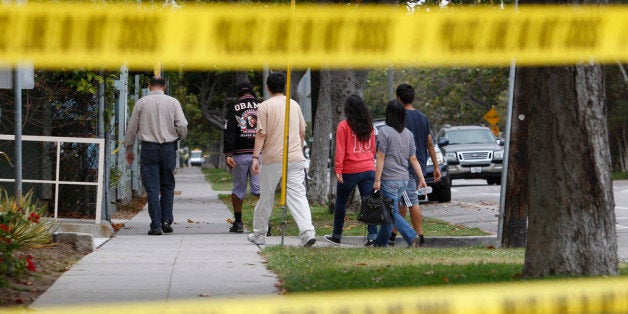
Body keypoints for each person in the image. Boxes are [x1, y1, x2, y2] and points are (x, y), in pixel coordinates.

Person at [247, 72, 316, 247]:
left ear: (268, 88)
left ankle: (260, 233)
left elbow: (261, 134)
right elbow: (302, 133)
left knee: (266, 196)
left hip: (272, 158)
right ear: (284, 87)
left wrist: (255, 157)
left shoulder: (264, 107)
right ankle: (307, 231)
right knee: (298, 195)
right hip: (294, 157)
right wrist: (297, 150)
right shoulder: (294, 105)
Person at [124, 75, 188, 235]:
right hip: (168, 148)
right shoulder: (173, 102)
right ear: (164, 86)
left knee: (152, 187)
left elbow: (132, 127)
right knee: (167, 185)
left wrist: (129, 148)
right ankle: (166, 220)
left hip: (149, 148)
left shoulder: (142, 102)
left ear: (149, 86)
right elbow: (182, 125)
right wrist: (179, 136)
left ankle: (156, 225)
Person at [389, 83, 442, 246]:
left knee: (411, 201)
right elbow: (430, 144)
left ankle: (419, 235)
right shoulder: (422, 117)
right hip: (419, 164)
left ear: (398, 98)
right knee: (403, 200)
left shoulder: (398, 117)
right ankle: (393, 234)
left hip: (403, 166)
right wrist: (436, 167)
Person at [324, 95, 377, 246]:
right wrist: (367, 160)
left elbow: (340, 150)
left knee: (341, 202)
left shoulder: (343, 126)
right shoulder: (369, 126)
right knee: (369, 203)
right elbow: (373, 148)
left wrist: (338, 169)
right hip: (368, 168)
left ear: (348, 109)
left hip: (350, 169)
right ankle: (372, 236)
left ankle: (337, 235)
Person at [372, 100, 427, 247]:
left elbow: (381, 157)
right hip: (403, 179)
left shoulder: (384, 131)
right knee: (390, 213)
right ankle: (379, 245)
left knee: (392, 213)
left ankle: (411, 236)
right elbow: (413, 159)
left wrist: (377, 180)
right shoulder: (408, 134)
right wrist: (421, 178)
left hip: (389, 179)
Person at [223, 82, 261, 233]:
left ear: (238, 94)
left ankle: (238, 222)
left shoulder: (233, 108)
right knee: (260, 189)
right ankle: (265, 224)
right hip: (259, 155)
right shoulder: (263, 106)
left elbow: (229, 132)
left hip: (239, 154)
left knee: (238, 189)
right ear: (252, 93)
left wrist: (228, 153)